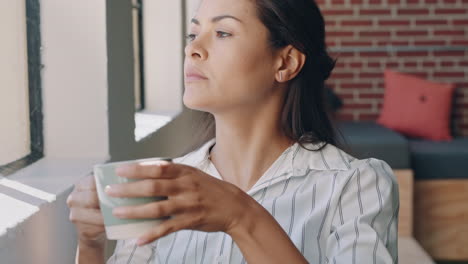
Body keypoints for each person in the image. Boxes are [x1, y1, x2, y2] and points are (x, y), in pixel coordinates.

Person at [66, 0, 399, 263]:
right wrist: (90, 245)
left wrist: (242, 217)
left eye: (223, 32)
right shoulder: (164, 186)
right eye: (192, 34)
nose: (192, 49)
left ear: (285, 63)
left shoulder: (356, 185)